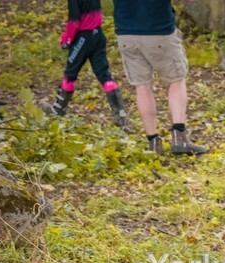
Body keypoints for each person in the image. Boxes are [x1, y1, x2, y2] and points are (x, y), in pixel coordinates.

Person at [112, 0, 206, 155]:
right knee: (176, 80)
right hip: (159, 31)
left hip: (126, 34)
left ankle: (153, 143)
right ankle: (179, 137)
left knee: (142, 87)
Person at [42, 0, 127, 126]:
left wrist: (67, 39)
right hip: (98, 34)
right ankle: (121, 115)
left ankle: (58, 110)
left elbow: (74, 21)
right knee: (104, 74)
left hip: (83, 37)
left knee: (70, 74)